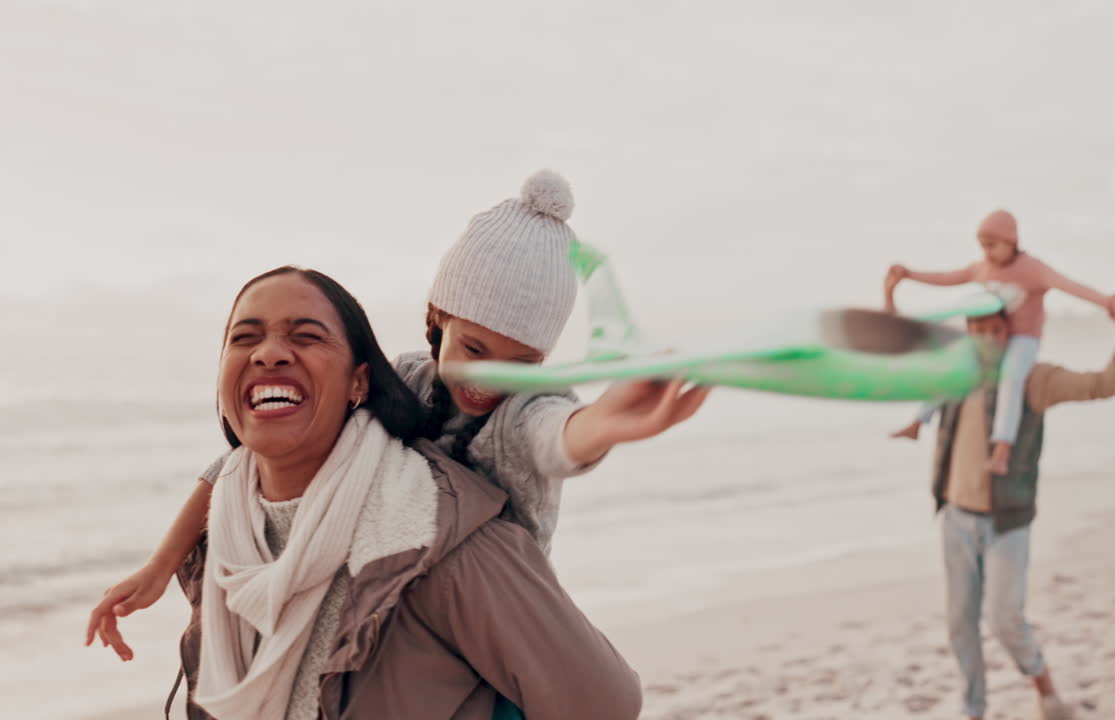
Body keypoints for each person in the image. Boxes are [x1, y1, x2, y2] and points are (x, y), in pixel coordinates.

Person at [87, 171, 708, 662]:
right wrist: (159, 564)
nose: (491, 377)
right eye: (474, 350)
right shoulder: (406, 379)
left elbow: (559, 438)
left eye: (521, 362)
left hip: (500, 613)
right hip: (411, 602)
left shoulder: (528, 408)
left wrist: (609, 419)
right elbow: (236, 461)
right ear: (436, 321)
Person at [148, 266, 642, 719]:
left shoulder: (440, 540)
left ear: (359, 381)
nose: (269, 352)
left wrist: (599, 424)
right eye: (244, 337)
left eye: (306, 336)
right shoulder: (225, 540)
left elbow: (604, 704)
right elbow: (226, 468)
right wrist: (158, 564)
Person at [891, 301, 1115, 720]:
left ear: (1012, 332)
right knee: (959, 625)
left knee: (1005, 618)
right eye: (978, 330)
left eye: (996, 330)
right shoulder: (955, 376)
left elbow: (1103, 385)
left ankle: (1046, 692)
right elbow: (902, 365)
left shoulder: (1031, 379)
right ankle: (974, 709)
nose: (988, 339)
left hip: (1007, 523)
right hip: (955, 518)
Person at [884, 209, 1115, 474]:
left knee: (1011, 378)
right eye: (982, 246)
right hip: (991, 341)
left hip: (1023, 339)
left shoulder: (1032, 269)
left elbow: (1069, 286)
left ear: (1011, 242)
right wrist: (910, 274)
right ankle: (918, 422)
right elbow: (946, 278)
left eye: (992, 245)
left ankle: (1002, 449)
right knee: (954, 370)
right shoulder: (981, 269)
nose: (987, 252)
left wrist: (1107, 302)